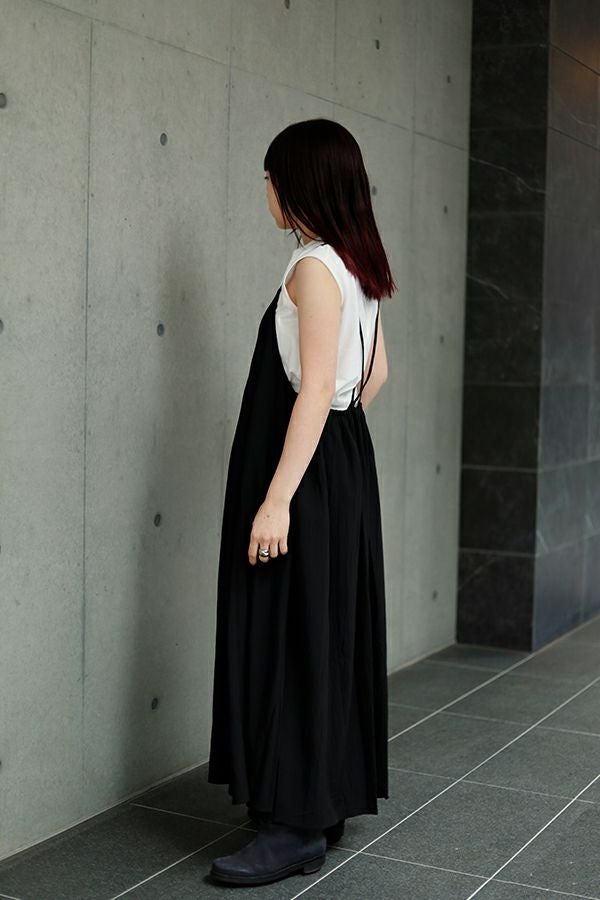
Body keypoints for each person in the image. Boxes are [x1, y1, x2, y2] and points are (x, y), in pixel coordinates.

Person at [207, 117, 395, 888]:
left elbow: (315, 387)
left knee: (288, 632)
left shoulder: (314, 268)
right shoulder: (356, 264)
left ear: (299, 184)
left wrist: (280, 496)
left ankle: (292, 829)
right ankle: (320, 801)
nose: (266, 190)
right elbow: (372, 376)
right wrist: (334, 458)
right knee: (323, 629)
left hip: (303, 472)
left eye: (271, 177)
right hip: (339, 464)